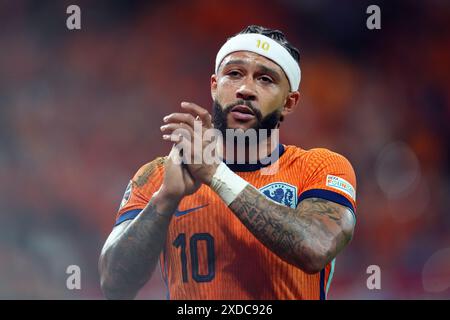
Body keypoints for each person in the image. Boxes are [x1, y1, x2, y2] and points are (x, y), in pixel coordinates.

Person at [99, 25, 357, 300]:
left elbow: (315, 248)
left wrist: (216, 174)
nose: (245, 89)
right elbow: (114, 285)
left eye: (266, 79)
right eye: (234, 74)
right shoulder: (159, 176)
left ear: (289, 103)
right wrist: (165, 199)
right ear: (214, 86)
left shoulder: (319, 167)